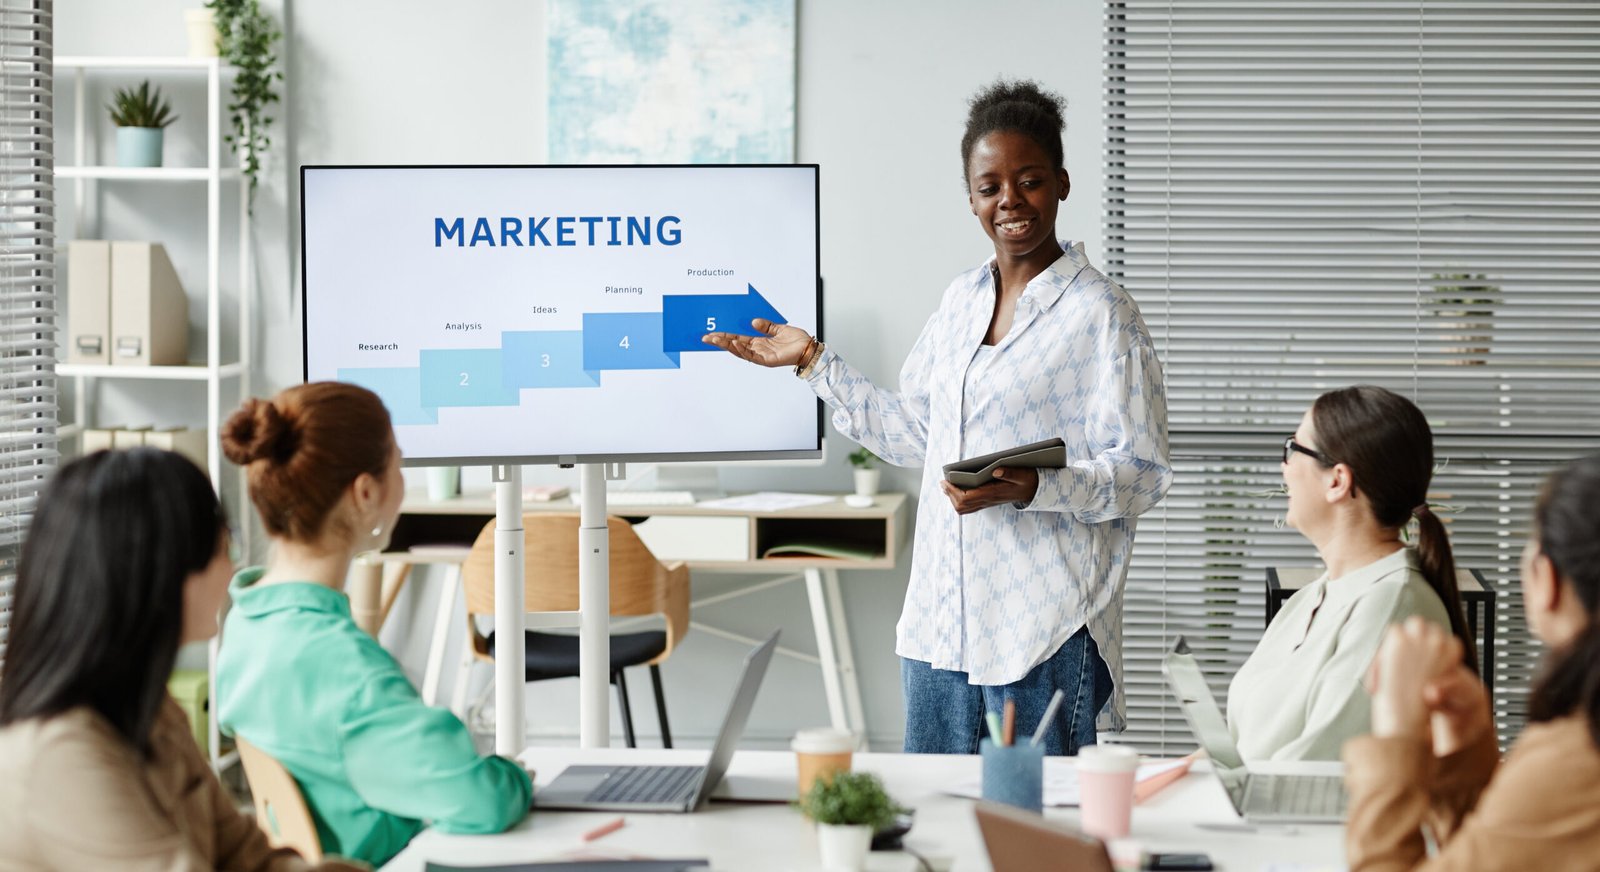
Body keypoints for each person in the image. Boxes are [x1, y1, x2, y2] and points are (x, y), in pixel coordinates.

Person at [704, 79, 1171, 755]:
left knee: (1032, 848)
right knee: (933, 835)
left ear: (1062, 184)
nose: (1009, 200)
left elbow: (1144, 473)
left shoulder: (1103, 314)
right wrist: (811, 362)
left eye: (1030, 180)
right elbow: (915, 436)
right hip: (937, 630)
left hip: (1039, 631)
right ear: (973, 198)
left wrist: (1035, 488)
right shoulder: (959, 301)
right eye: (990, 187)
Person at [0, 448, 364, 870]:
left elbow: (246, 856)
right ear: (165, 572)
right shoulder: (61, 755)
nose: (232, 568)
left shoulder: (149, 710)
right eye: (224, 547)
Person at [215, 383, 531, 867]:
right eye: (399, 465)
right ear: (365, 492)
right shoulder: (345, 669)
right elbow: (481, 801)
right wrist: (515, 777)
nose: (402, 479)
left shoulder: (247, 621)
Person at [1344, 453, 1600, 870]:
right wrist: (1469, 751)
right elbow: (1510, 852)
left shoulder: (1575, 759)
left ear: (1546, 577)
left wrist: (1396, 731)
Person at [1227, 385, 1478, 761]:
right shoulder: (1311, 599)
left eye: (1293, 449)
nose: (1285, 466)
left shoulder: (1391, 607)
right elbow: (1241, 748)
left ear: (1337, 481)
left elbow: (1312, 771)